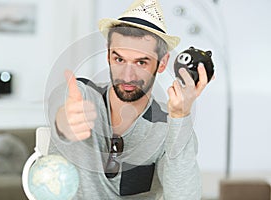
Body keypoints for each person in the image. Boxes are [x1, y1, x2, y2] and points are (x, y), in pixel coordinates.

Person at [49, 0, 210, 199]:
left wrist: (181, 116)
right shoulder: (82, 97)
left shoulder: (169, 126)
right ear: (108, 55)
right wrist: (64, 123)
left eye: (141, 62)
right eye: (119, 59)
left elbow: (184, 196)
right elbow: (61, 109)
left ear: (162, 63)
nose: (127, 75)